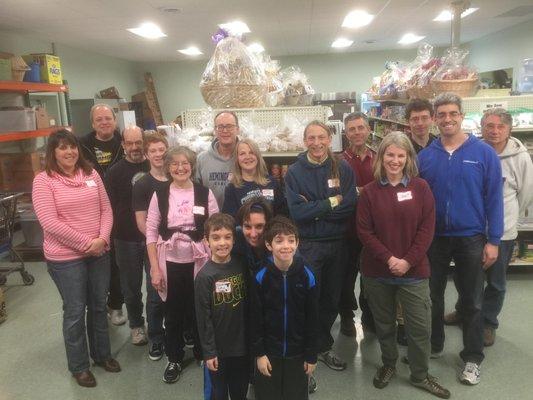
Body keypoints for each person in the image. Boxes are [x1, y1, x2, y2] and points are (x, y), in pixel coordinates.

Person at [418, 93, 504, 385]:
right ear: (434, 118)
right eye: (441, 114)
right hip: (435, 238)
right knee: (432, 296)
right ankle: (435, 344)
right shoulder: (426, 156)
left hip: (471, 237)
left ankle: (472, 357)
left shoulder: (483, 153)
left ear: (461, 115)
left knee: (472, 300)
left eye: (452, 113)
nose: (447, 119)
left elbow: (494, 199)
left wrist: (493, 240)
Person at [357, 132, 450, 399]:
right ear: (381, 157)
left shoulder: (421, 188)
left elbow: (427, 229)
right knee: (385, 324)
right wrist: (389, 259)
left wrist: (407, 260)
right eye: (390, 154)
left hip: (414, 272)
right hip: (377, 272)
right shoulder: (370, 192)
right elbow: (364, 232)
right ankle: (388, 364)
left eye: (401, 155)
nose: (395, 160)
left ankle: (420, 374)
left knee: (419, 326)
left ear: (408, 158)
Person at [32, 129, 120, 388]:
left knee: (97, 305)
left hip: (99, 252)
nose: (69, 152)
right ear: (53, 153)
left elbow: (106, 208)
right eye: (62, 148)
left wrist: (102, 239)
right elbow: (49, 222)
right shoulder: (44, 180)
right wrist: (86, 243)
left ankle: (102, 355)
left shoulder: (91, 173)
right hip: (65, 258)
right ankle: (79, 366)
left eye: (72, 147)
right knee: (74, 311)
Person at [444, 108, 533, 346]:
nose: (494, 131)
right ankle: (464, 311)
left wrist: (507, 218)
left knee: (495, 280)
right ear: (481, 128)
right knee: (467, 278)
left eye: (500, 127)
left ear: (509, 129)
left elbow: (525, 194)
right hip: (473, 229)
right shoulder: (474, 150)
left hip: (501, 232)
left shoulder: (519, 156)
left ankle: (488, 322)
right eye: (489, 126)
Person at [284, 120, 356, 371]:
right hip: (310, 246)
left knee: (332, 298)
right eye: (311, 138)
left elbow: (349, 206)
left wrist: (315, 208)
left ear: (329, 139)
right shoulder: (294, 172)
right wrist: (331, 202)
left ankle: (322, 345)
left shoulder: (342, 167)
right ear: (305, 141)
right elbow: (298, 213)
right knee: (310, 297)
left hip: (338, 244)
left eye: (321, 137)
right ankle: (308, 347)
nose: (316, 143)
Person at [146, 146, 219, 383]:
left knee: (201, 310)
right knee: (174, 313)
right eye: (175, 164)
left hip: (200, 261)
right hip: (170, 261)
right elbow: (150, 233)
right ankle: (174, 357)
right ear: (168, 167)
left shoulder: (204, 193)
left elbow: (214, 228)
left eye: (185, 163)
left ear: (192, 166)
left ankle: (202, 352)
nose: (180, 168)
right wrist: (155, 269)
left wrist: (214, 263)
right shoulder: (160, 194)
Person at [251, 216, 319, 400]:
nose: (286, 246)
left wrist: (311, 355)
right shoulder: (260, 276)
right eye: (279, 241)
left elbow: (313, 319)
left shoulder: (308, 275)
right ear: (268, 245)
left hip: (298, 354)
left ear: (297, 243)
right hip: (269, 353)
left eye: (291, 240)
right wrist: (259, 354)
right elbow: (255, 319)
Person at [106, 126, 152, 346]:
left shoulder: (155, 165)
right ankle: (136, 326)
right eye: (130, 143)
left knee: (156, 286)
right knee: (131, 288)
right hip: (125, 238)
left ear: (144, 142)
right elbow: (109, 207)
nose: (135, 147)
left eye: (138, 142)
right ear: (123, 145)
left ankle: (156, 323)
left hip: (153, 237)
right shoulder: (114, 172)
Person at [80, 103, 126, 326]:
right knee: (95, 261)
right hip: (90, 213)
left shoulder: (125, 142)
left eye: (108, 118)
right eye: (99, 119)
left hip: (120, 212)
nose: (104, 122)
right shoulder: (81, 146)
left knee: (118, 264)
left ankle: (115, 305)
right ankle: (97, 306)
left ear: (115, 121)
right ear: (93, 123)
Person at [195, 213, 249, 400]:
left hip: (242, 348)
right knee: (218, 393)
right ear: (206, 241)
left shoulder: (242, 265)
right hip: (218, 351)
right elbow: (204, 318)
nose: (222, 243)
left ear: (234, 240)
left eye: (227, 237)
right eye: (215, 238)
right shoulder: (204, 276)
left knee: (240, 391)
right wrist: (209, 352)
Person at [132, 132, 169, 360]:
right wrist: (157, 241)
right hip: (155, 247)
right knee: (156, 293)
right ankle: (156, 338)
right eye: (153, 151)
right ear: (146, 155)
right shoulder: (142, 184)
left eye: (161, 150)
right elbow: (140, 220)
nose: (158, 154)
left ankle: (181, 331)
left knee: (179, 292)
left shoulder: (178, 177)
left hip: (179, 249)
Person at [339, 112, 375, 337]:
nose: (357, 132)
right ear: (346, 133)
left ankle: (370, 317)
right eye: (352, 129)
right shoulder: (339, 161)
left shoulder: (379, 158)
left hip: (373, 231)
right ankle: (346, 317)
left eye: (361, 127)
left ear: (369, 129)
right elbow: (335, 194)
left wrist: (359, 192)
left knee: (370, 277)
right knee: (345, 277)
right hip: (347, 230)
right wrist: (362, 192)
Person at [222, 138, 286, 216]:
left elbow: (282, 215)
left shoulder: (272, 183)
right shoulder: (231, 188)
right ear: (237, 159)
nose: (247, 157)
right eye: (242, 154)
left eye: (251, 152)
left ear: (258, 156)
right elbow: (230, 222)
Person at [196, 111, 239, 208]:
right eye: (220, 127)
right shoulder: (201, 159)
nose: (224, 131)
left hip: (241, 220)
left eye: (229, 126)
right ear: (214, 131)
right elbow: (195, 193)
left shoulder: (246, 158)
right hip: (210, 220)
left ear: (238, 129)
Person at [233, 196, 273, 273]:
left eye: (259, 226)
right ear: (241, 226)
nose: (253, 234)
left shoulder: (280, 242)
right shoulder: (233, 238)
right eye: (247, 227)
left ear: (269, 224)